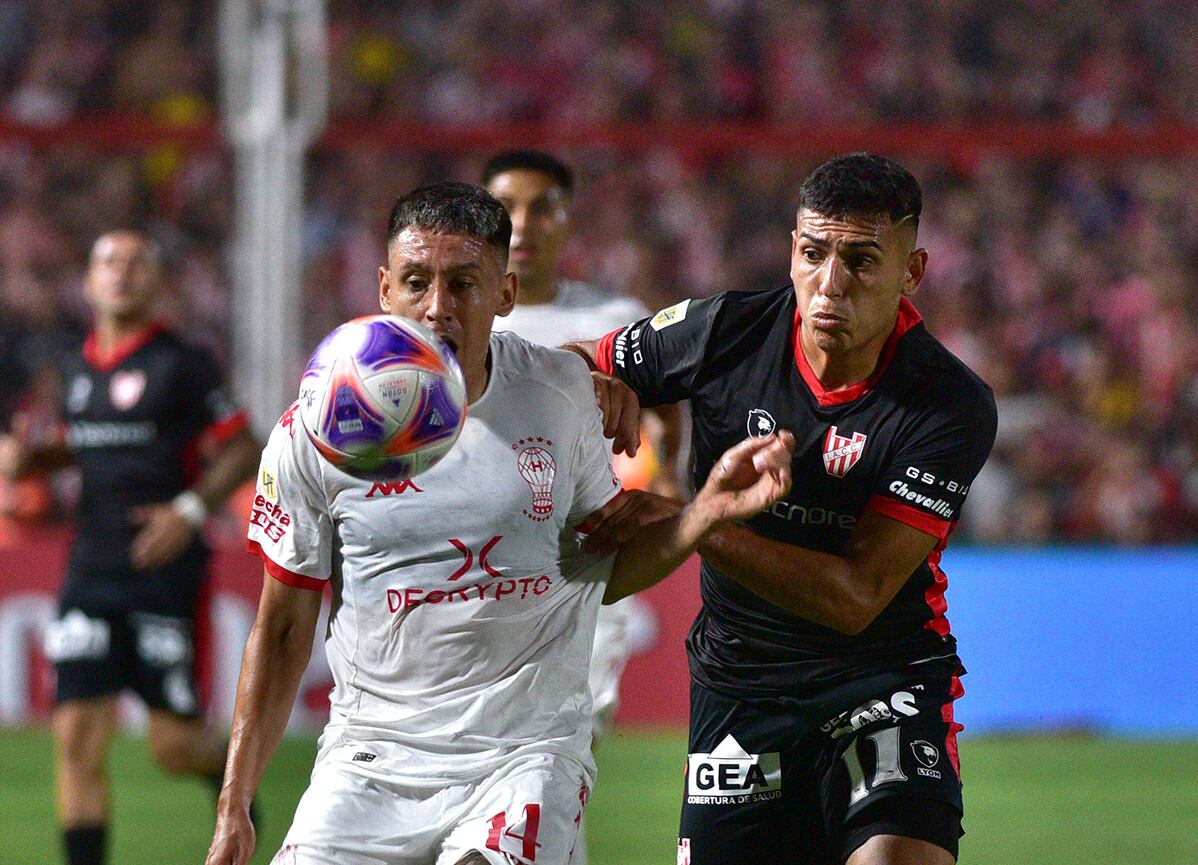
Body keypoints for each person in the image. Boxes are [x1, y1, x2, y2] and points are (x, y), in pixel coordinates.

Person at [205, 182, 793, 865]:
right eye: (417, 282)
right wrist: (234, 804)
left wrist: (704, 514)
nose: (436, 307)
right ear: (384, 288)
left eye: (463, 284)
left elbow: (599, 569)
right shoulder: (322, 425)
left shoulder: (559, 396)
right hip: (367, 759)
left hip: (524, 754)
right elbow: (280, 627)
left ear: (505, 295)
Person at [567, 153, 998, 865]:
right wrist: (593, 377)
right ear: (792, 249)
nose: (829, 285)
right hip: (741, 683)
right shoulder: (721, 332)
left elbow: (854, 595)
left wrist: (695, 519)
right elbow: (576, 362)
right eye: (812, 253)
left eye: (862, 261)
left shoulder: (947, 402)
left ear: (910, 271)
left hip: (880, 679)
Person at [0, 230, 261, 865]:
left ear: (155, 283)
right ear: (88, 284)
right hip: (89, 570)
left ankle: (226, 778)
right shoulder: (75, 366)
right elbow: (83, 439)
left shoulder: (183, 363)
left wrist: (189, 509)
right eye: (109, 263)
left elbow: (243, 444)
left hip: (164, 571)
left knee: (172, 749)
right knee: (76, 740)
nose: (123, 274)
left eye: (138, 263)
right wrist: (33, 457)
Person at [482, 150, 676, 743]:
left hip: (590, 549)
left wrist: (668, 475)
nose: (522, 224)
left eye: (543, 208)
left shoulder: (616, 317)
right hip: (485, 555)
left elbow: (668, 403)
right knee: (499, 746)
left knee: (570, 735)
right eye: (506, 208)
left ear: (567, 220)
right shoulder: (462, 318)